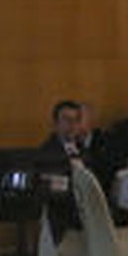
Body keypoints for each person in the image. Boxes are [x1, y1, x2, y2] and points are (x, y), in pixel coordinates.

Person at [39, 100, 101, 242]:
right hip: (62, 207)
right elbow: (48, 185)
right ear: (55, 124)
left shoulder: (83, 150)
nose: (71, 125)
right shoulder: (47, 151)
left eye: (75, 120)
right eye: (66, 120)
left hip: (85, 205)